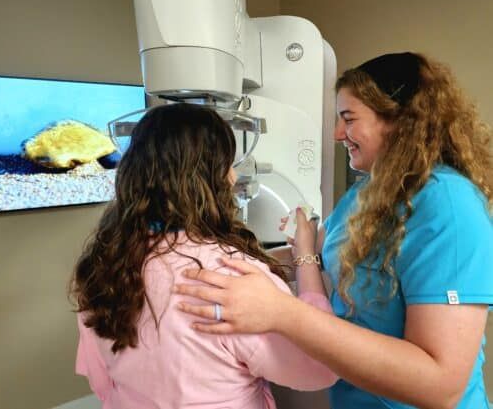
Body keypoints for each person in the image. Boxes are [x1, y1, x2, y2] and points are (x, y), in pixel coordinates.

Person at [174, 52, 493, 409]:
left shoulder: (448, 206)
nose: (338, 134)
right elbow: (315, 257)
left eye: (349, 119)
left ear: (400, 121)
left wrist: (281, 312)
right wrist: (208, 259)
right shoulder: (364, 194)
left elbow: (440, 385)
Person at [69, 102, 337, 409]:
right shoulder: (235, 278)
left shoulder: (104, 264)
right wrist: (306, 259)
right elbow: (320, 369)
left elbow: (102, 382)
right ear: (208, 179)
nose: (234, 177)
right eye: (228, 164)